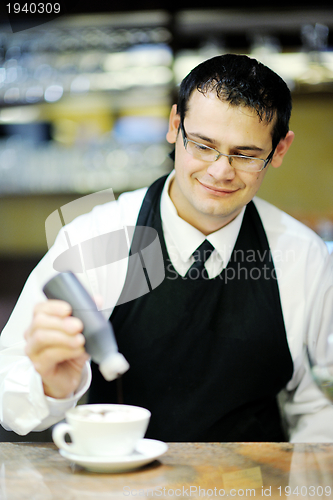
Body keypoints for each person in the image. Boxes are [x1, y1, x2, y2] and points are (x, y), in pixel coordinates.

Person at [0, 54, 333, 441]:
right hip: (122, 486)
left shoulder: (303, 257)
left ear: (278, 150)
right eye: (203, 145)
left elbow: (319, 408)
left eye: (245, 154)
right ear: (175, 126)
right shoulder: (95, 238)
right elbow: (8, 397)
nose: (219, 171)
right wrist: (52, 385)